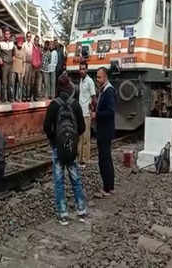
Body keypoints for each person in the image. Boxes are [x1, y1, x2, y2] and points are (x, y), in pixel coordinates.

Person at [43, 73, 88, 225]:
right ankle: (81, 210)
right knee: (75, 179)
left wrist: (54, 140)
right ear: (69, 87)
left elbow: (46, 127)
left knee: (59, 181)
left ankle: (63, 214)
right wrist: (73, 139)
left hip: (58, 148)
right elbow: (82, 127)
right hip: (72, 149)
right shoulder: (75, 104)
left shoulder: (54, 105)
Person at [91, 67, 116, 197]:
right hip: (103, 130)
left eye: (99, 77)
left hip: (105, 131)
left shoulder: (109, 91)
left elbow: (111, 112)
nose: (97, 79)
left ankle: (107, 188)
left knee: (105, 159)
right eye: (97, 77)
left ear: (105, 78)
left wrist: (97, 114)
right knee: (105, 158)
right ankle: (109, 186)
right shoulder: (104, 90)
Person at [78, 59, 96, 165]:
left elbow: (94, 97)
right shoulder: (81, 80)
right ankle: (80, 158)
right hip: (80, 113)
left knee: (86, 137)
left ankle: (85, 160)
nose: (82, 71)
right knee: (80, 137)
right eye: (80, 69)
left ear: (87, 70)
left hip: (86, 113)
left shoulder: (90, 82)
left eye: (83, 69)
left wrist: (93, 111)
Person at [0, 27, 14, 103]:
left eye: (8, 34)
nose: (7, 35)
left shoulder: (12, 42)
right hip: (4, 64)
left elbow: (14, 51)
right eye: (6, 34)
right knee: (4, 82)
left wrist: (13, 56)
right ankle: (3, 98)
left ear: (10, 35)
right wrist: (0, 58)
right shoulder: (1, 42)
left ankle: (10, 98)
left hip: (11, 64)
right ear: (4, 34)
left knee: (10, 82)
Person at [11, 36, 25, 102]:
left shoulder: (23, 49)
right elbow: (12, 56)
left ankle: (19, 97)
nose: (20, 43)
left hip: (20, 68)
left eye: (21, 42)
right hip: (14, 68)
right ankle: (12, 98)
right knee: (13, 84)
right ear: (17, 42)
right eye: (19, 42)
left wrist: (23, 70)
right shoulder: (14, 48)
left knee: (19, 84)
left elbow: (24, 61)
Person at [31, 35, 43, 101]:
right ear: (34, 40)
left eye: (38, 40)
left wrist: (40, 63)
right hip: (33, 67)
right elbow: (31, 56)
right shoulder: (32, 47)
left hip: (38, 67)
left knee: (37, 83)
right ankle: (31, 95)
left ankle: (36, 96)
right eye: (36, 40)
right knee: (32, 82)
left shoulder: (40, 48)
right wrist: (33, 63)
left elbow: (41, 57)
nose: (37, 41)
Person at [22, 31, 33, 101]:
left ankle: (28, 96)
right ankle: (24, 96)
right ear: (26, 37)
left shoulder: (32, 44)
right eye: (27, 36)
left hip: (31, 64)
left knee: (29, 81)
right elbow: (23, 54)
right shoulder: (24, 44)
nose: (28, 38)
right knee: (25, 81)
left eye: (30, 36)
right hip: (25, 63)